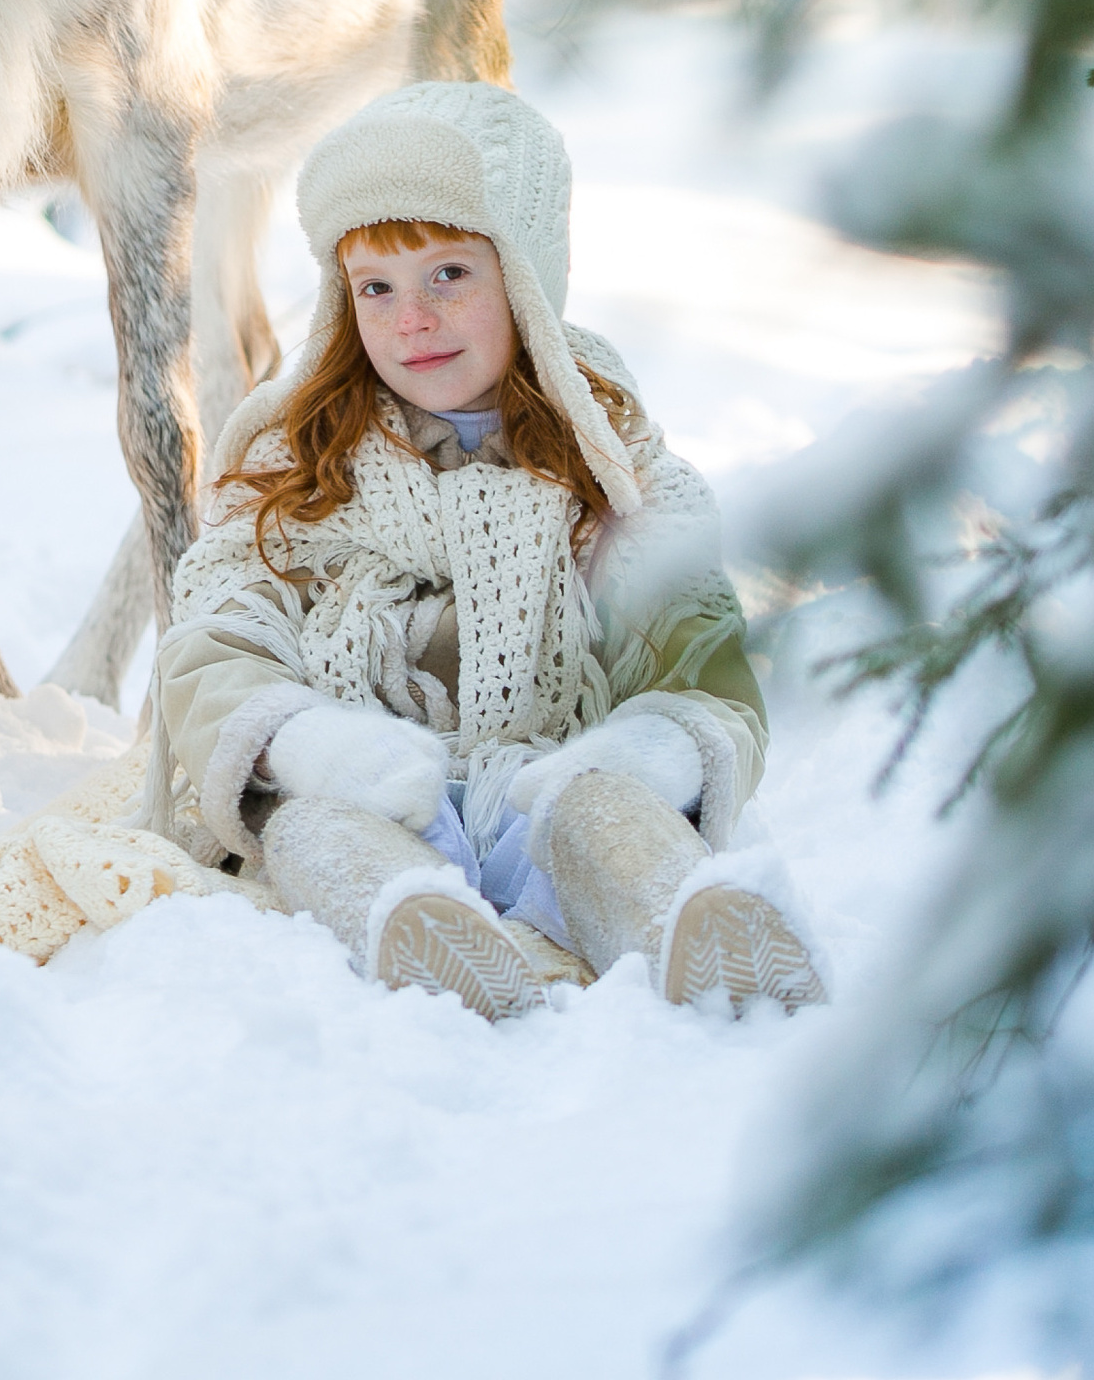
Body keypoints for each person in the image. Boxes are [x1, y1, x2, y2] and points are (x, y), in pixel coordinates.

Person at [148, 78, 827, 1018]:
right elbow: (217, 630)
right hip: (375, 783)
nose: (410, 320)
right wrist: (308, 742)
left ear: (526, 273)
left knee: (607, 816)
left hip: (543, 784)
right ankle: (413, 924)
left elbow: (697, 644)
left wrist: (650, 747)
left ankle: (690, 925)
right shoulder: (299, 460)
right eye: (375, 288)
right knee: (311, 832)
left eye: (450, 275)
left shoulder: (614, 462)